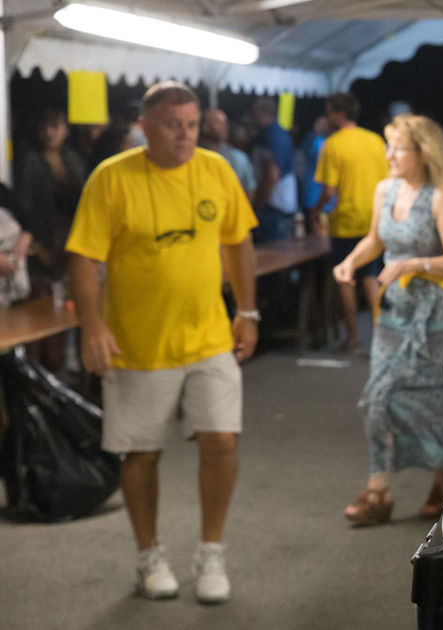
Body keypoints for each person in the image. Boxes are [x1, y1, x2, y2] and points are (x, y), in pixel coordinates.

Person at [66, 81, 259, 605]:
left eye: (192, 124)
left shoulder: (216, 170)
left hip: (209, 337)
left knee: (222, 440)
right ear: (144, 126)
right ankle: (149, 555)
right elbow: (83, 255)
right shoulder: (112, 178)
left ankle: (211, 551)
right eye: (173, 125)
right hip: (137, 343)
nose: (185, 135)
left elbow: (239, 242)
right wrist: (92, 327)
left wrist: (247, 311)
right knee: (141, 453)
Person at [332, 114, 443, 526]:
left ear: (422, 153)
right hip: (396, 310)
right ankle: (378, 488)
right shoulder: (384, 189)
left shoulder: (440, 197)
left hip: (439, 312)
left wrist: (410, 264)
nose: (389, 155)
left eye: (397, 147)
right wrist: (350, 262)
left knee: (441, 402)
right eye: (388, 146)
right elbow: (376, 238)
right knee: (379, 393)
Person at [312, 93, 391, 353]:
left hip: (345, 222)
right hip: (374, 220)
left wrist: (315, 211)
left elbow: (329, 191)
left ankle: (353, 339)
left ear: (338, 113)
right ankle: (380, 340)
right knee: (371, 277)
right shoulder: (375, 141)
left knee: (346, 278)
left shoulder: (332, 145)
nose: (327, 117)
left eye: (329, 111)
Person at [13, 107, 88, 291]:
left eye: (54, 126)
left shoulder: (74, 160)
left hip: (73, 236)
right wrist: (37, 245)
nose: (48, 132)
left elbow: (86, 199)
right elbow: (25, 206)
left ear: (65, 130)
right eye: (43, 128)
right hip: (43, 238)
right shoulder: (30, 160)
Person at [249, 97, 299, 242]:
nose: (251, 118)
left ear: (263, 113)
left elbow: (272, 174)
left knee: (273, 254)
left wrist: (259, 203)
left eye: (254, 113)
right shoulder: (281, 133)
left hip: (273, 206)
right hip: (283, 204)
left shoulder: (270, 136)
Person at [200, 108, 257, 198]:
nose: (225, 127)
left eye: (225, 123)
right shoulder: (192, 156)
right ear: (204, 126)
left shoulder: (239, 158)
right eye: (218, 123)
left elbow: (249, 189)